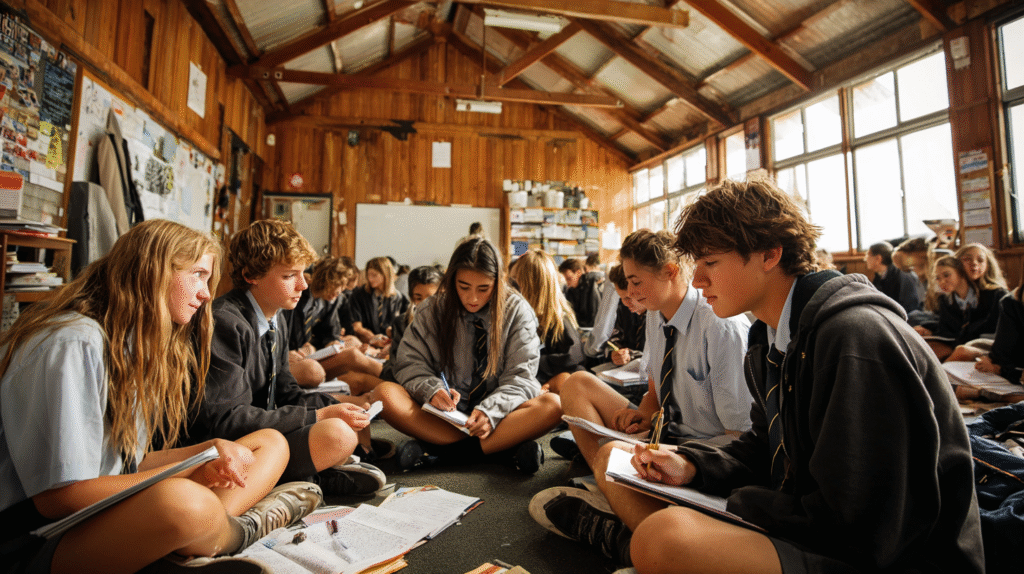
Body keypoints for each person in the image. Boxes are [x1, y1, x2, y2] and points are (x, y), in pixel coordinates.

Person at [620, 178, 982, 574]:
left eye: (710, 263)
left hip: (887, 556)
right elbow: (767, 446)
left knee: (665, 536)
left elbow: (861, 523)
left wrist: (738, 504)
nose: (699, 281)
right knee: (626, 473)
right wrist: (692, 464)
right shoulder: (770, 335)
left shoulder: (853, 338)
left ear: (770, 254)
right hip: (818, 524)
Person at [0, 220, 316, 573]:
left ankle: (196, 541)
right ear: (151, 272)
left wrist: (206, 449)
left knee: (268, 443)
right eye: (197, 274)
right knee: (181, 502)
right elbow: (59, 498)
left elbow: (124, 465)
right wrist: (185, 473)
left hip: (96, 516)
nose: (207, 293)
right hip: (34, 541)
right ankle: (236, 533)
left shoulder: (131, 344)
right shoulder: (74, 342)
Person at [529, 229, 752, 566]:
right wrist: (646, 410)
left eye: (635, 282)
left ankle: (634, 532)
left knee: (608, 455)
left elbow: (740, 437)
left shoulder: (720, 326)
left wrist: (681, 455)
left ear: (671, 272)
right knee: (576, 384)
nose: (628, 293)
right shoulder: (655, 311)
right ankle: (617, 492)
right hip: (666, 432)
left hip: (701, 454)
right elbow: (654, 383)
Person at [187, 220, 385, 498]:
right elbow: (225, 421)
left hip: (260, 433)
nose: (303, 284)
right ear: (251, 275)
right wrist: (317, 415)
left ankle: (305, 474)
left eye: (303, 273)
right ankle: (307, 476)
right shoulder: (225, 322)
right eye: (289, 275)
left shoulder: (274, 316)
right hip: (228, 446)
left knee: (341, 428)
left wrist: (335, 407)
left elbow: (288, 392)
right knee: (336, 436)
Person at [371, 238, 561, 474]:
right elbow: (410, 364)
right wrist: (431, 390)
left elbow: (521, 377)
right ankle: (502, 449)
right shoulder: (432, 309)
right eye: (463, 286)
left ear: (498, 282)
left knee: (553, 405)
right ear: (451, 281)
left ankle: (442, 453)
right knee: (384, 394)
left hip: (499, 417)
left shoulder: (517, 311)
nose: (473, 298)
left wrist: (492, 410)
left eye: (483, 288)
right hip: (446, 418)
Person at [282, 256, 385, 394]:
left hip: (310, 353)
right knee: (353, 355)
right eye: (338, 285)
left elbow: (330, 331)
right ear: (326, 280)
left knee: (352, 344)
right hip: (296, 356)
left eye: (343, 287)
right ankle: (390, 377)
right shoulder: (298, 295)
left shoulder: (330, 301)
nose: (340, 291)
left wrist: (334, 344)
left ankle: (390, 381)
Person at [509, 249, 585, 394]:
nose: (511, 288)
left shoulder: (559, 320)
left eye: (515, 281)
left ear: (531, 285)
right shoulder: (525, 315)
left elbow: (573, 358)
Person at [914, 255, 1007, 361]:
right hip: (957, 341)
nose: (942, 282)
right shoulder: (945, 300)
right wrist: (929, 331)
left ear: (960, 272)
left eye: (946, 275)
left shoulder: (989, 295)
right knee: (924, 346)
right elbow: (946, 328)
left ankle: (938, 374)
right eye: (938, 278)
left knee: (960, 352)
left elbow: (990, 326)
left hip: (983, 342)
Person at [379, 265, 444, 383]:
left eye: (430, 298)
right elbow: (395, 367)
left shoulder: (452, 323)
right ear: (411, 298)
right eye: (418, 298)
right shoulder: (402, 323)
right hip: (410, 384)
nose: (424, 305)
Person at [348, 256, 410, 348]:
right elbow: (357, 327)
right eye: (368, 275)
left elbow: (405, 328)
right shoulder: (358, 295)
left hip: (391, 345)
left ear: (386, 274)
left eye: (374, 275)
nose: (370, 279)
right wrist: (374, 339)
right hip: (367, 343)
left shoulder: (400, 299)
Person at [864, 241, 921, 314]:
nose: (865, 259)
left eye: (868, 255)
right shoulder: (879, 275)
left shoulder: (901, 275)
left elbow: (906, 306)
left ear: (878, 258)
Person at [560, 257, 601, 328]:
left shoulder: (591, 286)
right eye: (566, 280)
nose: (567, 283)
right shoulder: (570, 290)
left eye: (569, 279)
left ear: (578, 273)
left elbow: (594, 316)